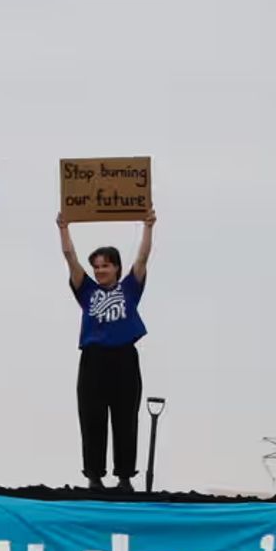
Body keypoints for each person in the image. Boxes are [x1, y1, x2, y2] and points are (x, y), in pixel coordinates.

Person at [59, 210, 155, 491]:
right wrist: (64, 227)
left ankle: (125, 476)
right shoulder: (86, 290)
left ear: (116, 267)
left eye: (105, 266)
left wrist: (148, 226)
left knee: (125, 416)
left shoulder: (130, 288)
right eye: (97, 266)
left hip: (124, 357)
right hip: (93, 360)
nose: (100, 271)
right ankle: (94, 476)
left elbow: (143, 258)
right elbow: (70, 258)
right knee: (92, 416)